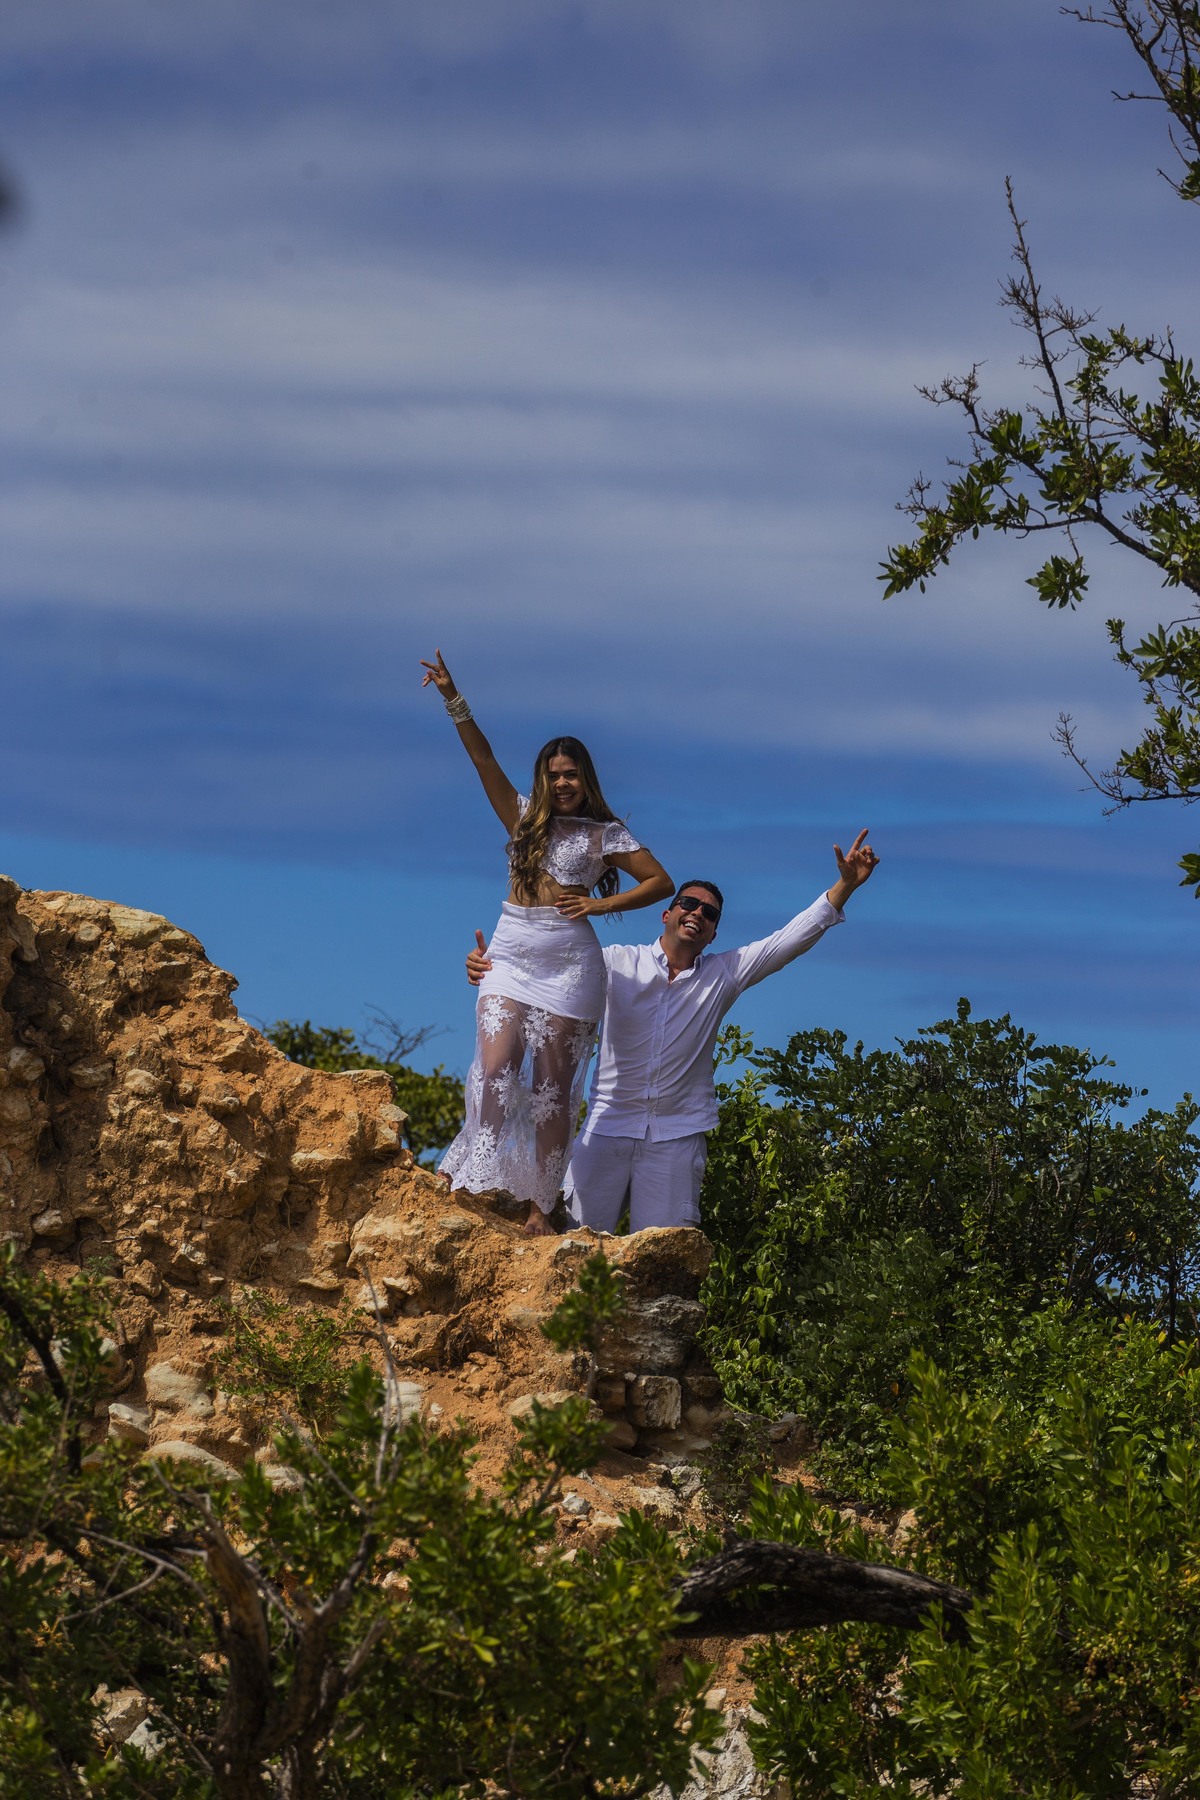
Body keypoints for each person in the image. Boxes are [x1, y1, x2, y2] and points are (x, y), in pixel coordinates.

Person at [467, 831, 879, 1233]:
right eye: (689, 904)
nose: (698, 913)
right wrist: (492, 965)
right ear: (667, 914)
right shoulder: (613, 962)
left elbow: (790, 938)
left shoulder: (725, 973)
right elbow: (546, 966)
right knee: (575, 1249)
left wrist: (844, 887)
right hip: (607, 1127)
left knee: (664, 1269)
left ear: (714, 932)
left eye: (710, 913)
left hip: (677, 1139)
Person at [420, 649, 673, 1236]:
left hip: (570, 964)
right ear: (543, 778)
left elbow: (662, 881)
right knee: (496, 1066)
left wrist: (598, 904)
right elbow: (482, 760)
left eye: (572, 774)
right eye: (555, 774)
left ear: (586, 779)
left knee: (552, 1092)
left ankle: (540, 1208)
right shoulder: (521, 817)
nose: (563, 782)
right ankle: (469, 1178)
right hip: (511, 951)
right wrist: (453, 698)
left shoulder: (604, 834)